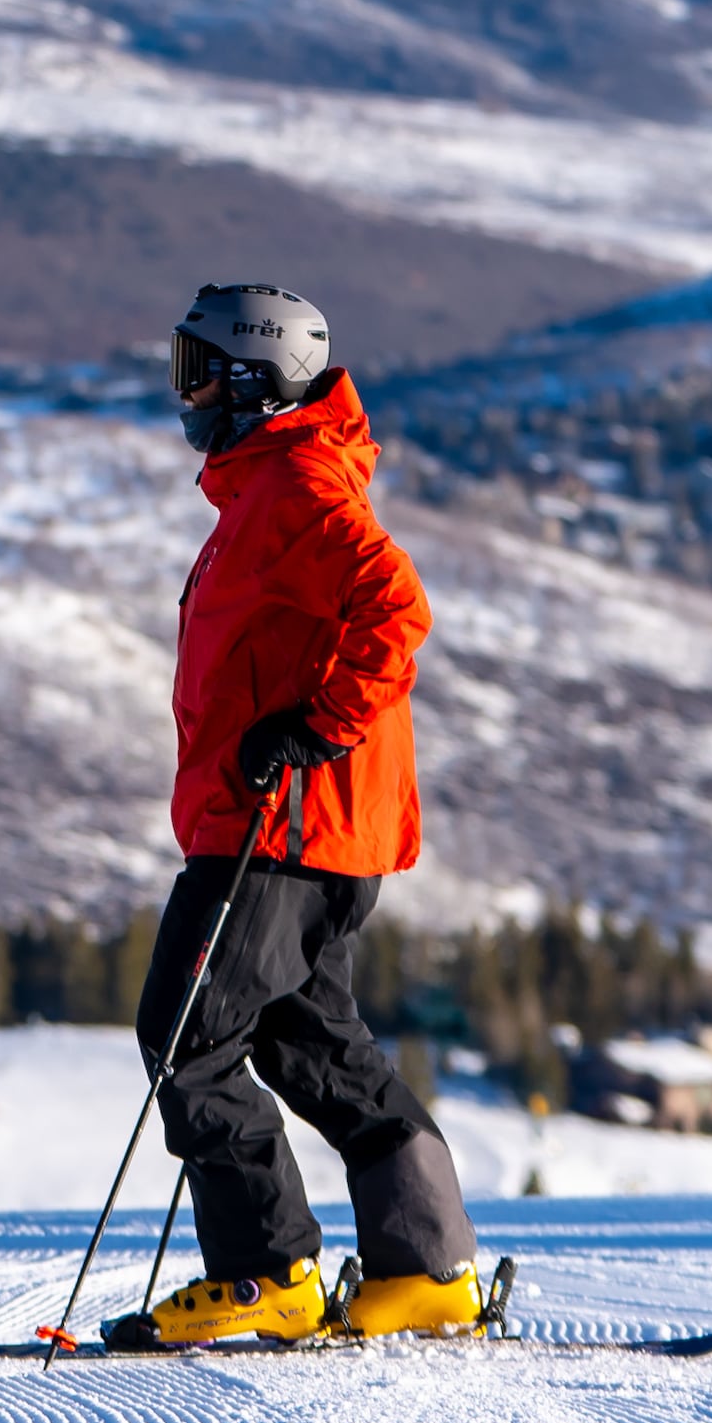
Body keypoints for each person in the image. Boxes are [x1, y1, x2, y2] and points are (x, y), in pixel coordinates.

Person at [109, 281, 488, 1348]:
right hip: (309, 831)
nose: (181, 394)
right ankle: (423, 1269)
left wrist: (312, 728)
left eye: (195, 371)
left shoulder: (290, 482)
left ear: (248, 380)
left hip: (278, 829)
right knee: (309, 1045)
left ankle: (264, 1273)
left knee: (185, 1035)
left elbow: (393, 608)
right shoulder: (271, 485)